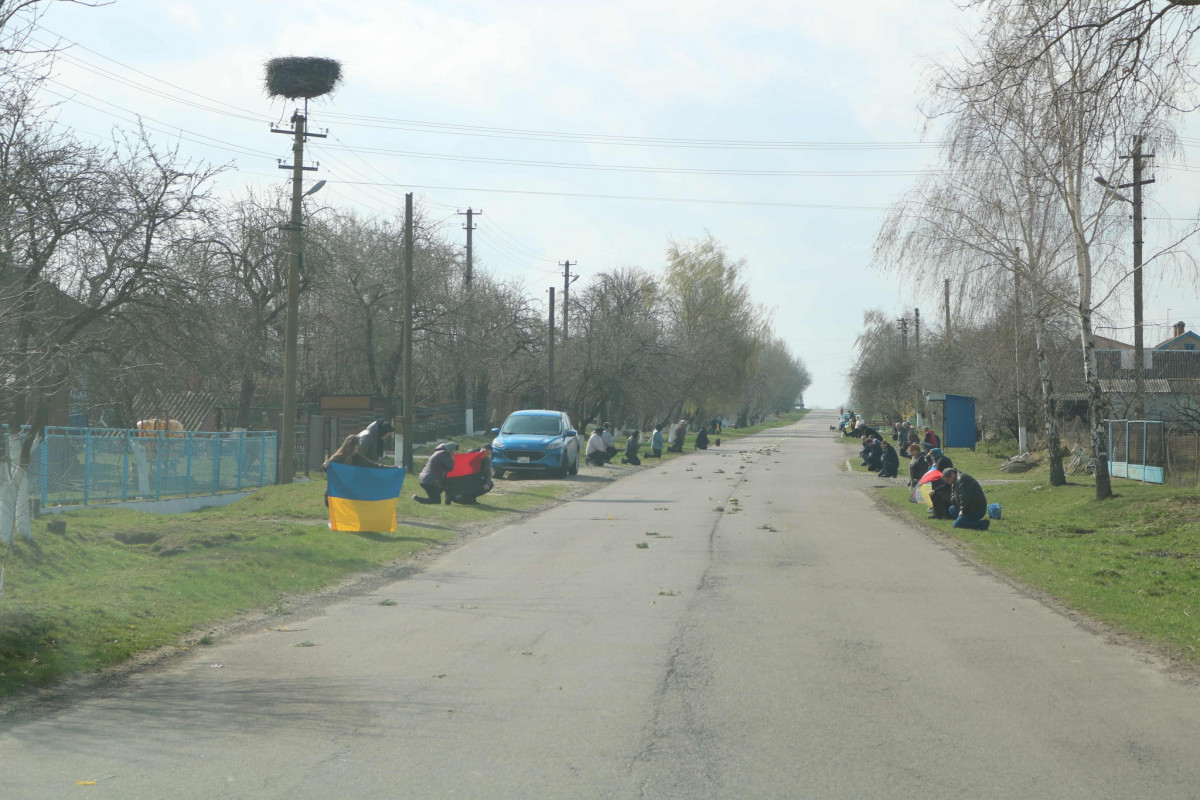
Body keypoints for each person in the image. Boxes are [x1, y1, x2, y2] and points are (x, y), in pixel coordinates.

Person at [323, 434, 387, 508]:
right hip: (334, 495)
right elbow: (327, 467)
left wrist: (396, 468)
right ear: (348, 448)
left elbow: (374, 466)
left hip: (348, 495)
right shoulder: (338, 458)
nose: (355, 451)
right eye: (354, 449)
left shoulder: (358, 459)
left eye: (357, 449)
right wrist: (324, 465)